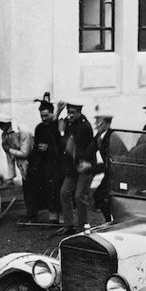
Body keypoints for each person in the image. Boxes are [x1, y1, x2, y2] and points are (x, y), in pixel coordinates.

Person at [0, 112, 35, 220]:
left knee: (32, 188)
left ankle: (34, 214)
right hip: (22, 165)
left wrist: (9, 149)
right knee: (26, 188)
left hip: (33, 162)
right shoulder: (5, 135)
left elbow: (25, 153)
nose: (0, 126)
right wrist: (11, 176)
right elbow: (9, 156)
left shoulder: (22, 131)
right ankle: (30, 214)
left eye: (2, 123)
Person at [59, 100, 95, 234]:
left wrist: (62, 133)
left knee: (80, 196)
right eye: (68, 112)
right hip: (74, 167)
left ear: (80, 112)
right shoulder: (70, 123)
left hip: (84, 166)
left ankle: (83, 227)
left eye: (73, 113)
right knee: (64, 192)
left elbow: (69, 147)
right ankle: (69, 226)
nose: (70, 115)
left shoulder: (84, 127)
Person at [27, 100, 65, 223]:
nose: (43, 119)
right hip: (45, 164)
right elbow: (37, 144)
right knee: (48, 189)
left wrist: (49, 148)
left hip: (58, 163)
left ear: (52, 113)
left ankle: (62, 216)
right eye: (41, 116)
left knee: (58, 189)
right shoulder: (39, 128)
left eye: (46, 115)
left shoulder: (59, 125)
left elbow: (62, 145)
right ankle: (52, 215)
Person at [88, 113, 126, 222]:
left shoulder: (113, 137)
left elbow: (119, 158)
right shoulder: (98, 137)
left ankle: (111, 220)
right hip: (106, 172)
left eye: (100, 122)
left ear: (107, 124)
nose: (97, 125)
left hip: (115, 173)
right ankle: (109, 220)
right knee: (99, 197)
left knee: (104, 198)